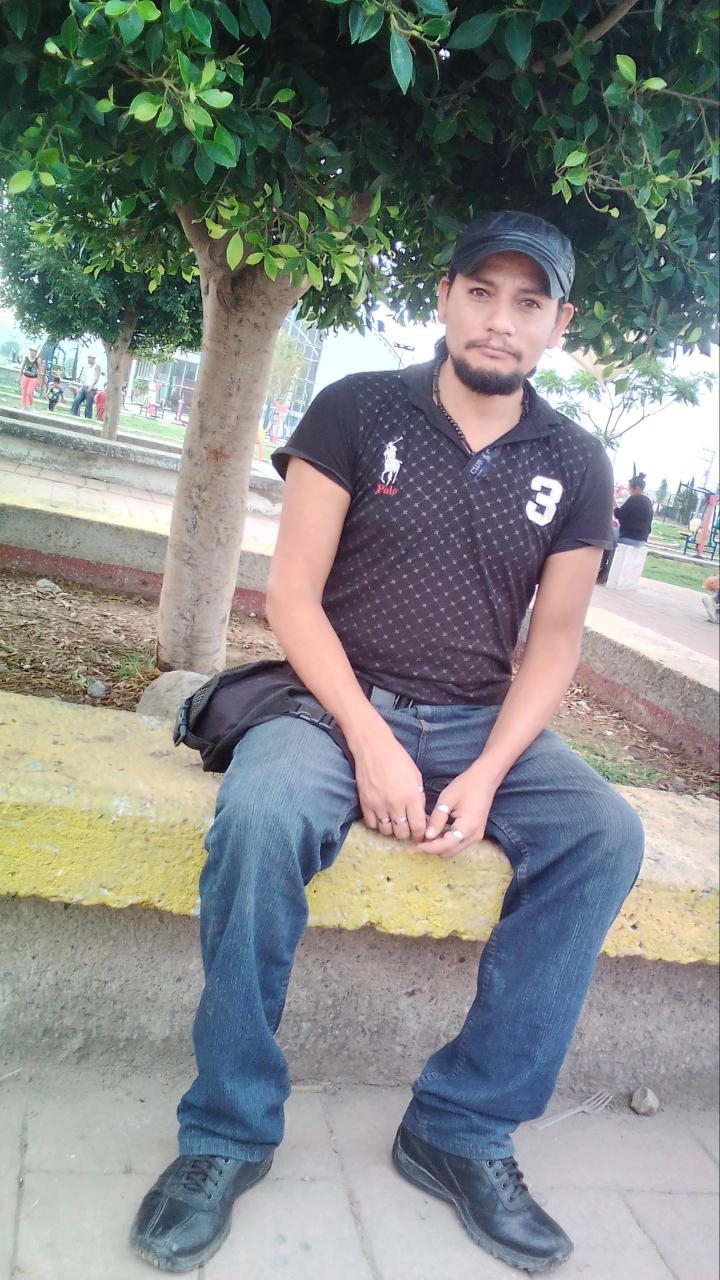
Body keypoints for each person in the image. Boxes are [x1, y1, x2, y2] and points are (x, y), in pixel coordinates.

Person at [130, 211, 644, 1275]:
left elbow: (554, 644)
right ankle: (226, 1129)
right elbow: (291, 596)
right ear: (446, 297)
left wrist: (488, 772)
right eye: (482, 292)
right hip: (332, 704)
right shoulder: (357, 409)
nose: (501, 320)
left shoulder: (576, 462)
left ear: (559, 323)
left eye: (529, 302)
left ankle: (460, 1127)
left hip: (476, 719)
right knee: (263, 814)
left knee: (604, 835)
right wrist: (369, 740)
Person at [614, 473, 654, 546]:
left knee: (605, 533)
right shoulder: (648, 501)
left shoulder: (635, 498)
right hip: (641, 540)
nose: (629, 492)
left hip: (629, 537)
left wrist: (613, 500)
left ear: (636, 488)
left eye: (629, 489)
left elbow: (619, 515)